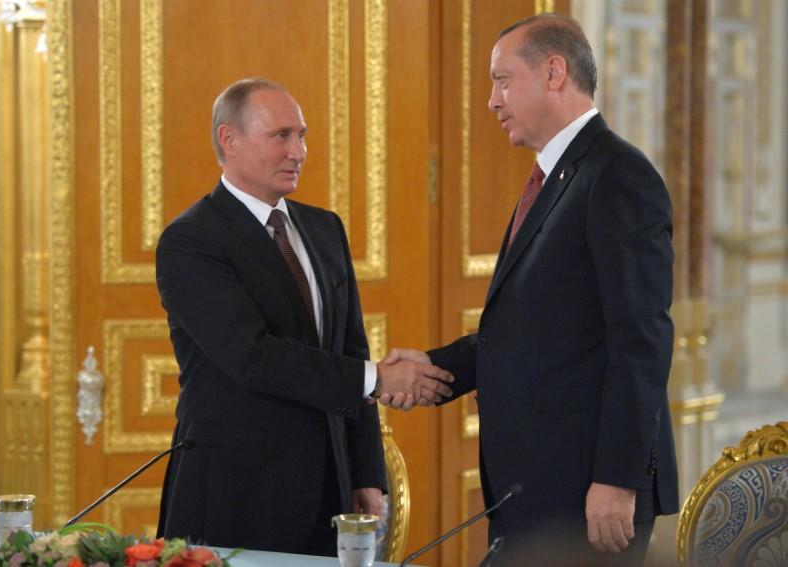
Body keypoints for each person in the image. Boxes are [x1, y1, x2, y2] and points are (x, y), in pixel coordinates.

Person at [382, 14, 678, 566]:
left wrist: (616, 478)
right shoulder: (557, 176)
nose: (492, 100)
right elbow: (536, 329)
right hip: (537, 488)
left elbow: (641, 341)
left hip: (587, 494)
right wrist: (434, 369)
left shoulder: (617, 176)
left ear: (553, 72)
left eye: (501, 80)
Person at [154, 78, 453, 555]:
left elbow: (351, 350)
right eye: (282, 136)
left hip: (328, 492)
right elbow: (251, 356)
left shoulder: (324, 228)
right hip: (235, 495)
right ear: (228, 140)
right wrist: (379, 377)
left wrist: (366, 473)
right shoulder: (191, 241)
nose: (299, 150)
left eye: (303, 135)